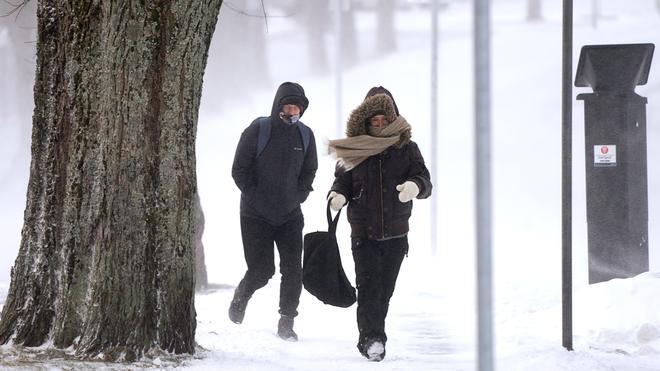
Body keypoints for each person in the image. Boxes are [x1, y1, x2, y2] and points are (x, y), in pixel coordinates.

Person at [326, 86, 432, 361]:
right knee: (369, 287)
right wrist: (337, 195)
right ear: (366, 120)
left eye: (385, 119)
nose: (380, 124)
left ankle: (373, 334)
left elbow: (425, 180)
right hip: (363, 234)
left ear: (393, 118)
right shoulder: (354, 150)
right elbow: (342, 181)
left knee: (384, 291)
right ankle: (372, 339)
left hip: (397, 235)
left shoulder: (407, 149)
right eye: (375, 120)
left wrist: (414, 186)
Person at [230, 82, 318, 341]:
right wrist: (256, 197)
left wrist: (299, 195)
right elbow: (239, 170)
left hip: (290, 214)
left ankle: (287, 321)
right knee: (262, 270)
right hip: (255, 214)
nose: (292, 112)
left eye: (297, 108)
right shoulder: (259, 129)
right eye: (288, 106)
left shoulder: (305, 135)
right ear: (278, 106)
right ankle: (243, 292)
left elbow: (309, 170)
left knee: (293, 270)